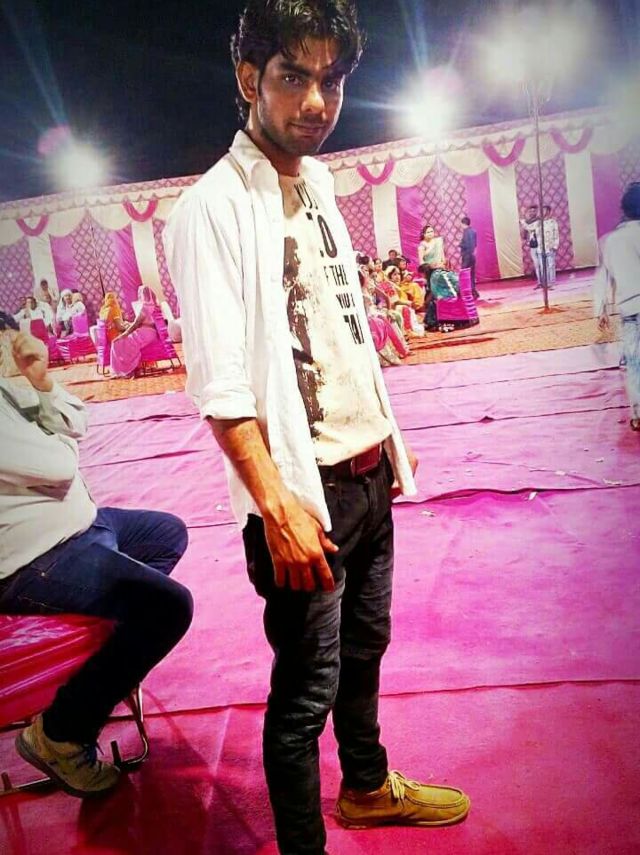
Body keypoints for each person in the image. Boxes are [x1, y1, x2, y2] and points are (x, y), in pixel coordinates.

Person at [163, 2, 470, 853]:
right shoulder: (212, 209)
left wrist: (385, 438)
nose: (316, 101)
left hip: (368, 473)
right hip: (305, 497)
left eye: (331, 80)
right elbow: (222, 386)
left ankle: (366, 786)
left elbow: (344, 331)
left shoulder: (321, 183)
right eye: (293, 75)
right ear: (248, 78)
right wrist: (279, 506)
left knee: (366, 649)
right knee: (304, 695)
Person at [0, 331, 193, 797]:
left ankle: (106, 665)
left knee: (166, 534)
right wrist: (57, 434)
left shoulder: (7, 390)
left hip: (79, 523)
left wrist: (43, 383)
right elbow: (61, 466)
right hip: (34, 556)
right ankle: (61, 733)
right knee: (169, 608)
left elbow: (76, 423)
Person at [594, 182, 640, 432]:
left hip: (630, 307)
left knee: (635, 363)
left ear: (624, 209)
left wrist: (601, 309)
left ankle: (638, 413)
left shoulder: (612, 241)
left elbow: (604, 277)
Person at [109, 285, 160, 378]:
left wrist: (124, 334)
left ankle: (126, 370)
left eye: (141, 294)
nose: (140, 296)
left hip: (146, 333)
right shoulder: (154, 305)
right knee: (121, 341)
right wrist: (130, 326)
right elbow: (142, 323)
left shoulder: (145, 307)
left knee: (117, 342)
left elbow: (136, 324)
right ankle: (126, 369)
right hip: (149, 332)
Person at [459, 215, 479, 299]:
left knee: (465, 275)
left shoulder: (466, 232)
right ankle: (474, 292)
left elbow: (467, 245)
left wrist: (460, 244)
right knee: (471, 275)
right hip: (472, 256)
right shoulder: (473, 231)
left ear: (463, 224)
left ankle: (468, 293)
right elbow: (474, 244)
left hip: (467, 256)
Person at [542, 205, 559, 288]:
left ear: (548, 211)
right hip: (542, 247)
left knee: (551, 265)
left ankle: (552, 282)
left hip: (551, 246)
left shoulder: (553, 222)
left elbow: (556, 234)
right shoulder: (540, 223)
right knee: (545, 266)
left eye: (544, 210)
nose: (543, 212)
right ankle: (547, 282)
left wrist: (555, 246)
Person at [0, 310, 19, 377]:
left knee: (7, 353)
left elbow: (11, 325)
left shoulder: (3, 315)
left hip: (6, 335)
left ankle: (10, 371)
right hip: (5, 335)